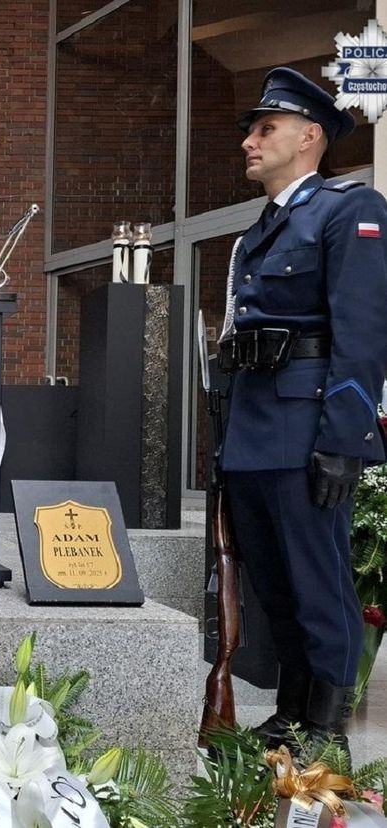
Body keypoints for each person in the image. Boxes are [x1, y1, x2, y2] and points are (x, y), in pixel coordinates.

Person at [219, 67, 387, 759]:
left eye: (266, 129)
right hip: (252, 429)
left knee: (319, 584)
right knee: (273, 586)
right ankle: (290, 715)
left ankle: (326, 728)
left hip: (306, 428)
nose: (249, 144)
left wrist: (343, 440)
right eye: (253, 131)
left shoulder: (349, 211)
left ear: (309, 136)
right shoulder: (262, 227)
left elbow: (363, 332)